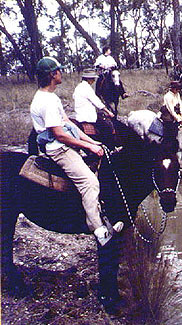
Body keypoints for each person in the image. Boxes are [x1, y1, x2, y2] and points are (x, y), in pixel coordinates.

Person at [30, 57, 123, 246]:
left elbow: (69, 125)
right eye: (58, 71)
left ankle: (100, 210)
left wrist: (92, 141)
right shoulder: (46, 101)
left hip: (65, 144)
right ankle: (98, 229)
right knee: (90, 183)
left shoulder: (51, 97)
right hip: (60, 150)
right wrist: (88, 147)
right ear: (52, 75)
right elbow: (60, 135)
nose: (61, 73)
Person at [73, 69, 116, 146]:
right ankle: (109, 145)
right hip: (87, 116)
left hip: (79, 115)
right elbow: (97, 102)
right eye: (93, 79)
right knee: (108, 125)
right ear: (88, 79)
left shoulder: (78, 87)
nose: (94, 80)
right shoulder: (87, 88)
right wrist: (108, 112)